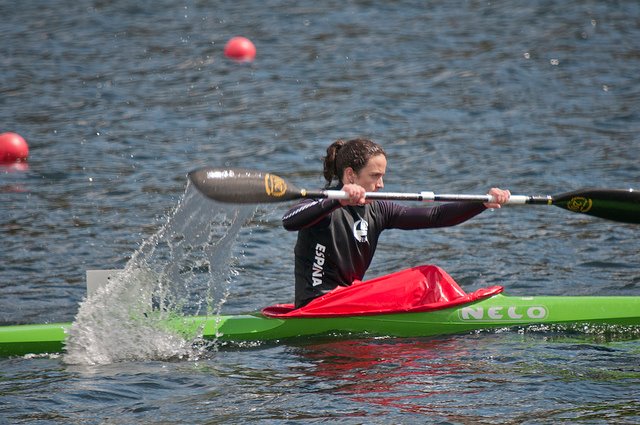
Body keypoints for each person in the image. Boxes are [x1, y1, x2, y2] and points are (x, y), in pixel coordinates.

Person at [282, 138, 511, 308]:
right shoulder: (322, 201)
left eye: (382, 176)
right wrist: (337, 201)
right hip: (317, 302)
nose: (381, 184)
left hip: (348, 296)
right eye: (374, 176)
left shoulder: (379, 209)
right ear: (351, 175)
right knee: (426, 277)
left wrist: (482, 202)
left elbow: (435, 216)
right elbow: (289, 221)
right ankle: (458, 310)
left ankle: (455, 306)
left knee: (427, 276)